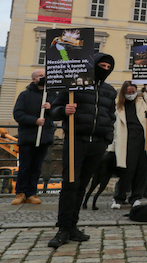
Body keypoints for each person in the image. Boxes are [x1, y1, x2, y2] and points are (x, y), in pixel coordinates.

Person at [48, 53, 117, 249]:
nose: (104, 69)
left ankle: (73, 225)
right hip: (76, 140)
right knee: (70, 183)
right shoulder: (74, 86)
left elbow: (110, 116)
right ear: (93, 65)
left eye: (108, 67)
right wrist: (64, 111)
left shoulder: (109, 91)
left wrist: (107, 138)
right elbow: (54, 110)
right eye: (101, 65)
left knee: (82, 185)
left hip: (97, 143)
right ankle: (63, 227)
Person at [111, 81, 147, 208]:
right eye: (129, 92)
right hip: (127, 141)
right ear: (124, 93)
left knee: (142, 170)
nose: (131, 94)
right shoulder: (118, 106)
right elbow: (114, 127)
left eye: (133, 92)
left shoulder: (144, 99)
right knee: (127, 170)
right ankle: (119, 197)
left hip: (145, 140)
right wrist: (111, 147)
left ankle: (136, 197)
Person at [12, 69, 56, 205]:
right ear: (34, 79)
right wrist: (34, 121)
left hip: (44, 137)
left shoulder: (52, 95)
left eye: (45, 76)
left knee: (37, 167)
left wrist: (51, 107)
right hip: (28, 137)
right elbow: (18, 114)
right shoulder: (25, 95)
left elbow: (58, 113)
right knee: (25, 166)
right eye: (40, 76)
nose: (43, 78)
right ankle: (20, 192)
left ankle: (32, 192)